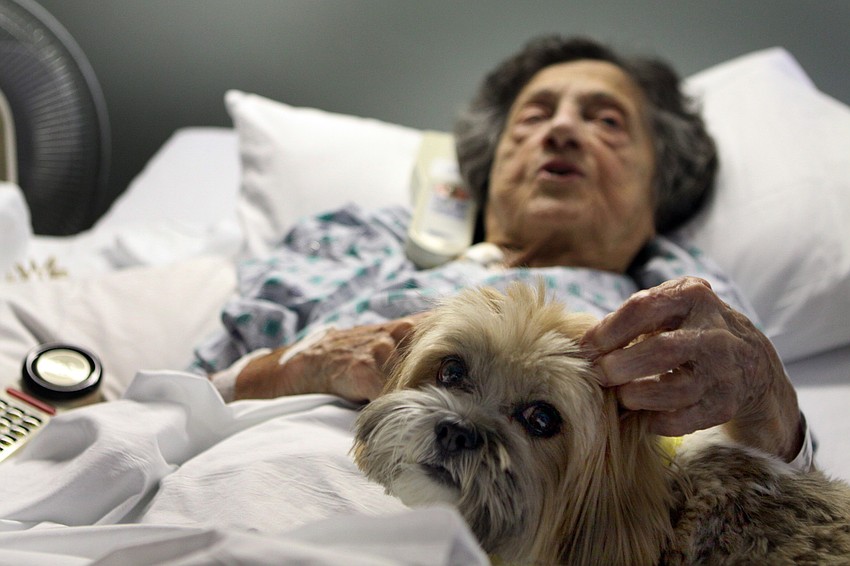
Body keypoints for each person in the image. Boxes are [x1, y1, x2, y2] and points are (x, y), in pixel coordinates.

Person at [199, 35, 808, 468]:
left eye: (607, 122)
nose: (560, 130)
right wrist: (301, 364)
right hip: (245, 477)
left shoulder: (685, 304)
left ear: (659, 184)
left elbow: (766, 512)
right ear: (488, 172)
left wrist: (768, 403)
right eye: (534, 116)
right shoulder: (361, 241)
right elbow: (181, 397)